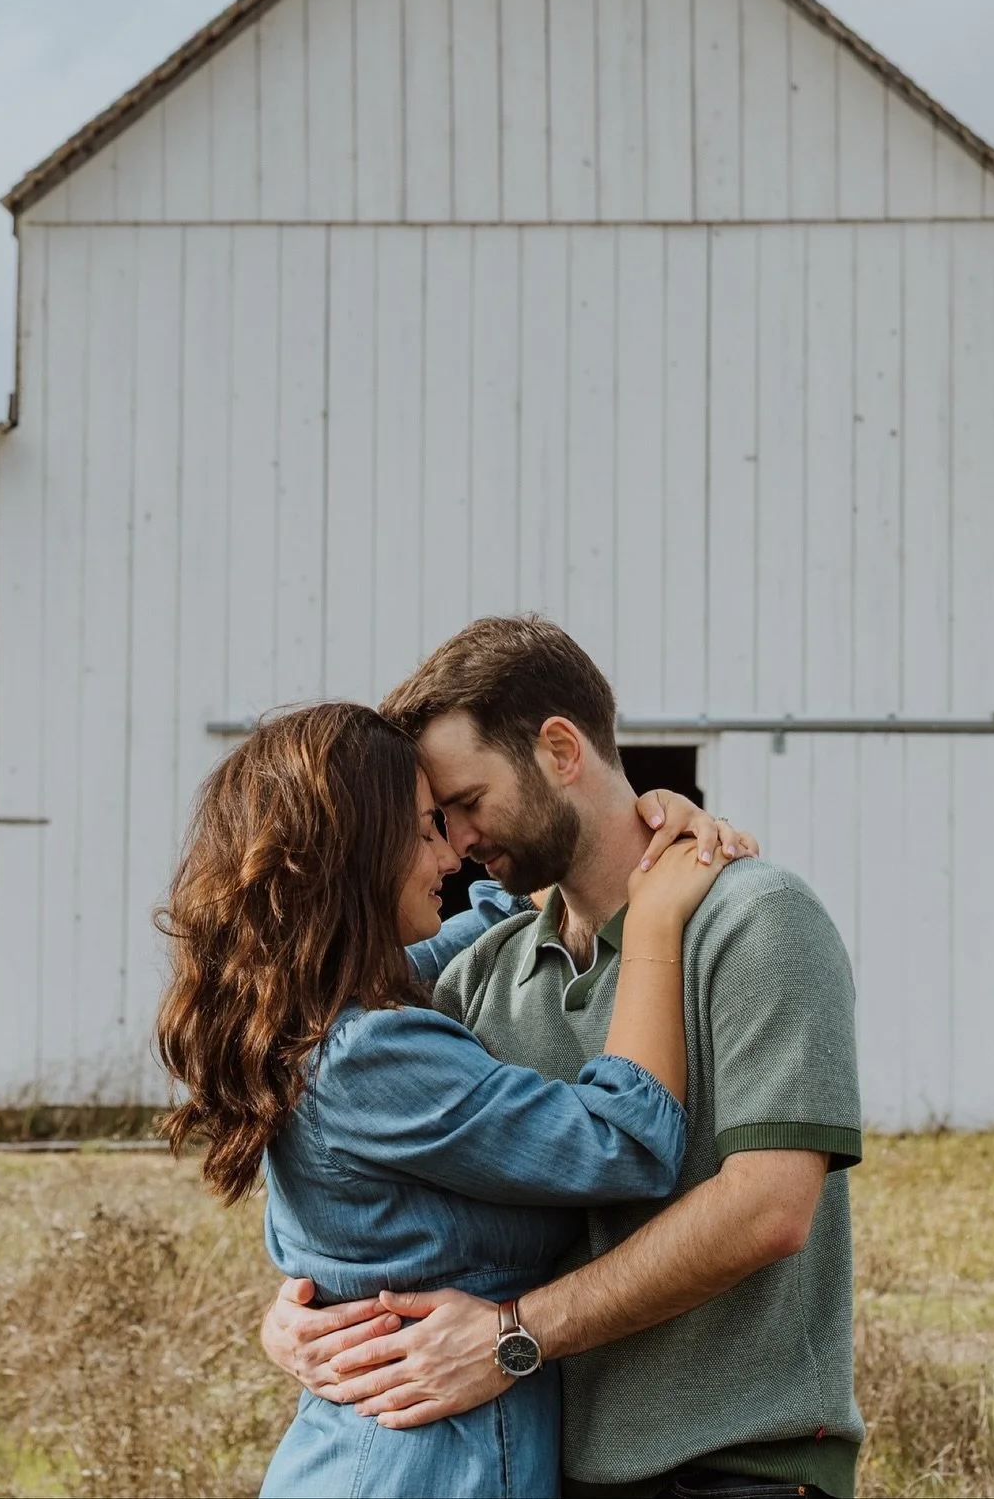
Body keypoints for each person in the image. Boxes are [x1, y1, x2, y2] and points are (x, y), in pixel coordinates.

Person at [263, 617, 864, 1499]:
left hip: (732, 1469)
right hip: (545, 1468)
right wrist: (301, 1314)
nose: (455, 840)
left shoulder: (755, 919)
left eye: (466, 800)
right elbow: (374, 1163)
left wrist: (513, 1333)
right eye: (437, 818)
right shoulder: (478, 972)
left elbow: (768, 1209)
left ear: (558, 748)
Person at [154, 699, 751, 1499]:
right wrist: (652, 928)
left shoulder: (318, 1013)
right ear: (357, 852)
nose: (452, 855)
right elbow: (628, 1142)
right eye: (430, 827)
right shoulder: (370, 1052)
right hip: (422, 1469)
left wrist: (640, 829)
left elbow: (495, 919)